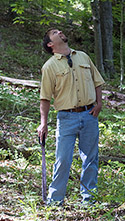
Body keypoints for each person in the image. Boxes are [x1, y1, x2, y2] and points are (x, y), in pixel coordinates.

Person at [37, 28, 104, 206]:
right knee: (63, 159)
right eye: (54, 32)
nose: (60, 32)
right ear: (50, 44)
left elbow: (97, 81)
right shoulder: (50, 66)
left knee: (90, 158)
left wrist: (99, 103)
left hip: (90, 115)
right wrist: (43, 124)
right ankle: (55, 201)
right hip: (66, 118)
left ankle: (89, 199)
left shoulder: (82, 56)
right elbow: (45, 98)